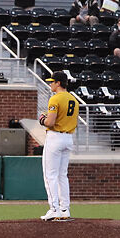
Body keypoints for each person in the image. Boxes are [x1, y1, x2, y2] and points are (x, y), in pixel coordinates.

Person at [39, 71, 77, 221]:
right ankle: (65, 209)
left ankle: (54, 209)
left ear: (58, 83)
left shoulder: (55, 99)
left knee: (50, 175)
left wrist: (42, 119)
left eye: (52, 82)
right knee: (62, 175)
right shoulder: (73, 99)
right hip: (68, 138)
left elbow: (50, 123)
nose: (50, 84)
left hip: (55, 137)